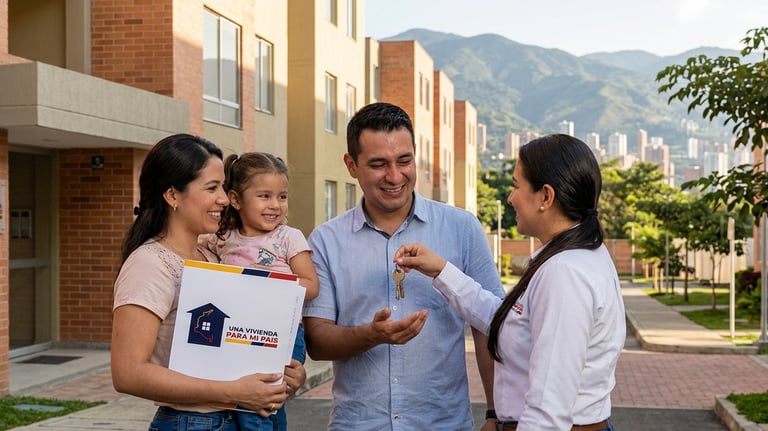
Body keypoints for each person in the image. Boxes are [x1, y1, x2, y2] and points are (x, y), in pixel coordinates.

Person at [393, 134, 625, 431]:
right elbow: (511, 321)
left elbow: (547, 411)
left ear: (545, 197)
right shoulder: (574, 256)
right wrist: (441, 271)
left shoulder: (564, 273)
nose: (511, 197)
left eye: (516, 186)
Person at [302, 102, 506, 430]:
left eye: (405, 161)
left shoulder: (462, 228)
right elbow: (317, 341)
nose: (395, 176)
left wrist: (497, 413)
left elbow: (490, 325)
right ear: (351, 165)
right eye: (378, 164)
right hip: (359, 425)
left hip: (444, 424)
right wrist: (371, 335)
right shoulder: (326, 241)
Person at [111, 134, 306, 431]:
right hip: (193, 422)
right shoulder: (150, 264)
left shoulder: (212, 255)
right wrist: (234, 392)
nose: (225, 199)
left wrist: (284, 375)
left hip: (240, 419)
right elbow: (128, 373)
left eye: (223, 188)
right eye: (212, 188)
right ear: (173, 195)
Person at [203, 151, 319, 430]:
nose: (276, 205)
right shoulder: (222, 238)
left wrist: (264, 285)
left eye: (282, 196)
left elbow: (311, 285)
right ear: (235, 199)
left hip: (283, 332)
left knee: (262, 404)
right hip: (239, 333)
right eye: (264, 196)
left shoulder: (288, 237)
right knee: (246, 399)